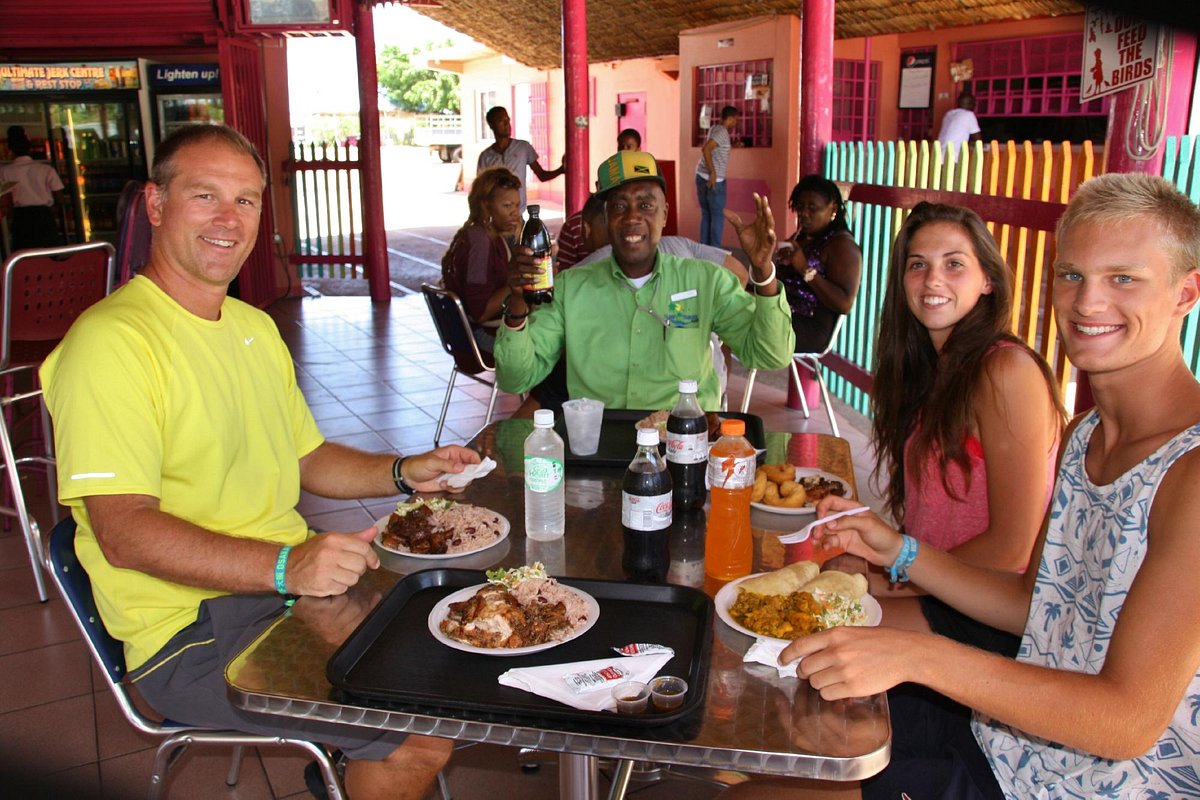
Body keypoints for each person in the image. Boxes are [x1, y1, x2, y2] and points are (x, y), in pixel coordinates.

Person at [721, 172, 1200, 800]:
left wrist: (912, 653)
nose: (1087, 303)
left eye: (1124, 279)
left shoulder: (1188, 470)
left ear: (1186, 293)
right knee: (783, 744)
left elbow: (1128, 721)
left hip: (1082, 785)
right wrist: (898, 551)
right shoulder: (1087, 433)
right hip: (1006, 737)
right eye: (1072, 275)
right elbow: (1033, 602)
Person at [40, 124, 481, 800]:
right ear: (156, 204)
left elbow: (306, 456)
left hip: (283, 595)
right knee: (418, 733)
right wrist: (285, 566)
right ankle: (363, 768)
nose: (229, 219)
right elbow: (123, 533)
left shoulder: (252, 328)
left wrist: (404, 470)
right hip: (191, 630)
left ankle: (345, 771)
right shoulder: (111, 345)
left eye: (245, 200)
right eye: (205, 195)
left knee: (454, 639)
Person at [867, 201, 1065, 655]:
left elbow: (1014, 547)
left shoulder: (1005, 371)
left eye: (954, 264)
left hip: (992, 611)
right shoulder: (932, 369)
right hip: (940, 589)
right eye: (918, 265)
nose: (933, 280)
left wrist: (894, 578)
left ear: (988, 280)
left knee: (821, 630)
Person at [495, 150, 795, 411]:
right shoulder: (569, 288)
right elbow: (516, 379)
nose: (632, 217)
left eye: (646, 205)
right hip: (600, 443)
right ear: (606, 219)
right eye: (619, 206)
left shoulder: (707, 281)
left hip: (685, 442)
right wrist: (518, 302)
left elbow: (770, 356)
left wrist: (763, 272)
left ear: (664, 214)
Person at [774, 175, 862, 352]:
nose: (804, 214)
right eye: (800, 207)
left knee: (735, 323)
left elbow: (844, 304)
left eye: (812, 208)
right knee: (729, 308)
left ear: (833, 209)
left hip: (811, 327)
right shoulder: (804, 236)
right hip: (783, 313)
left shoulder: (841, 245)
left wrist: (804, 268)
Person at [441, 166, 523, 352]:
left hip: (482, 330)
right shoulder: (480, 242)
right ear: (486, 206)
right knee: (555, 347)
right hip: (481, 336)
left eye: (517, 206)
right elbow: (481, 313)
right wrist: (515, 284)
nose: (515, 213)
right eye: (507, 206)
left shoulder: (490, 236)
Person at [476, 106, 564, 212]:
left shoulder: (523, 148)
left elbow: (542, 175)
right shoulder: (485, 157)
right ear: (491, 125)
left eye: (508, 120)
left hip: (517, 214)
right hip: (495, 215)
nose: (507, 124)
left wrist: (561, 170)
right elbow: (480, 191)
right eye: (501, 121)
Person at [1, 125, 64, 251]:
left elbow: (5, 201)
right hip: (44, 216)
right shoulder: (46, 169)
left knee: (25, 256)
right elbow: (60, 198)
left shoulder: (5, 172)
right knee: (48, 254)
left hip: (21, 218)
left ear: (10, 149)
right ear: (29, 148)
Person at [695, 105, 739, 247]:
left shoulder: (714, 128)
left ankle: (704, 250)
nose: (736, 122)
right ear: (730, 118)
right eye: (735, 119)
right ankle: (714, 252)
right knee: (717, 217)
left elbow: (715, 149)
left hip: (701, 176)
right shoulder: (722, 132)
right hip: (714, 181)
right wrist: (713, 172)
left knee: (707, 215)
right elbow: (706, 149)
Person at [937, 91, 981, 159]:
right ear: (971, 104)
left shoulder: (949, 114)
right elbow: (978, 140)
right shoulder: (969, 115)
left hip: (938, 156)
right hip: (953, 157)